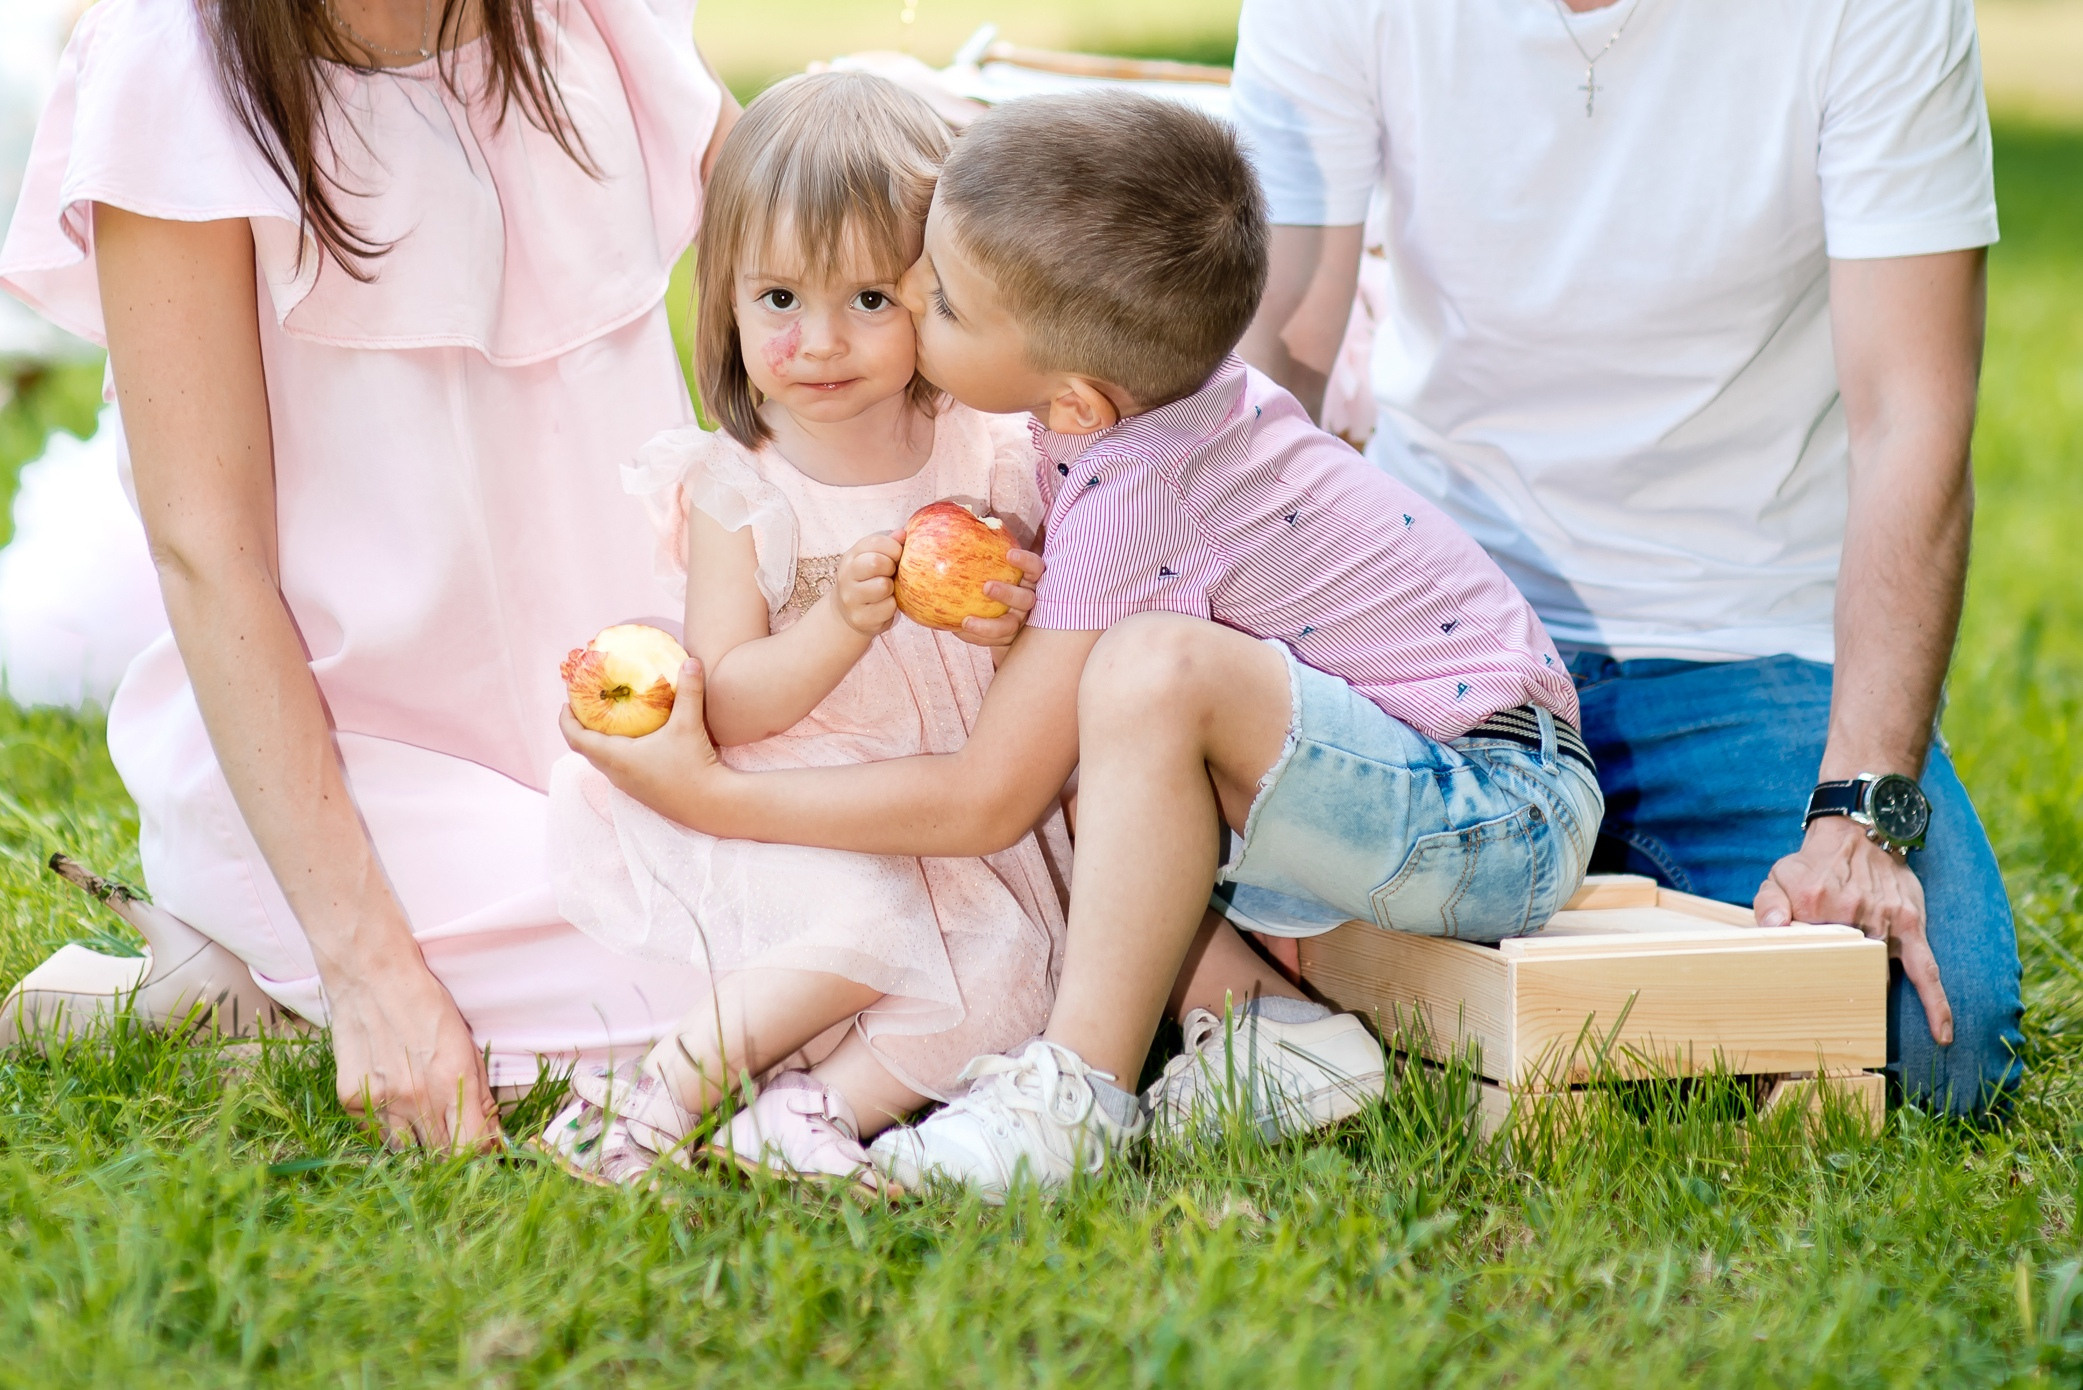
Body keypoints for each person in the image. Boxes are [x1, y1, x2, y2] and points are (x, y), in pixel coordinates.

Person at [563, 92, 1603, 1201]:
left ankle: (1072, 1099)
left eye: (943, 298)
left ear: (1070, 397)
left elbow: (983, 802)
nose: (913, 301)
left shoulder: (1138, 486)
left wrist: (711, 795)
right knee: (1090, 697)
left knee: (1142, 671)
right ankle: (1261, 1022)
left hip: (1498, 806)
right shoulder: (1135, 402)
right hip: (1431, 770)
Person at [1228, 0, 2020, 1116]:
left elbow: (1914, 423)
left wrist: (1856, 812)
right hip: (1436, 624)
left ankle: (1550, 923)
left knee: (1930, 1052)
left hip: (1747, 642)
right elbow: (1274, 367)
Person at [0, 0, 737, 1148]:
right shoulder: (174, 60)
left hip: (640, 723)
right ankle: (254, 982)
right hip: (347, 780)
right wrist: (370, 974)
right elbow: (210, 549)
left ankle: (243, 993)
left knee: (929, 880)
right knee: (761, 971)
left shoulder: (584, 17)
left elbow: (804, 245)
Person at [535, 73, 1068, 1193]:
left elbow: (1042, 668)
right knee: (866, 923)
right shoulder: (740, 488)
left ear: (941, 294)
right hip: (809, 812)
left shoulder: (985, 451)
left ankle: (808, 1112)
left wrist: (1002, 612)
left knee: (1015, 972)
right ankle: (655, 1093)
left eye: (869, 301)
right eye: (778, 299)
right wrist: (837, 624)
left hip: (946, 809)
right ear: (724, 297)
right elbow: (722, 697)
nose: (818, 342)